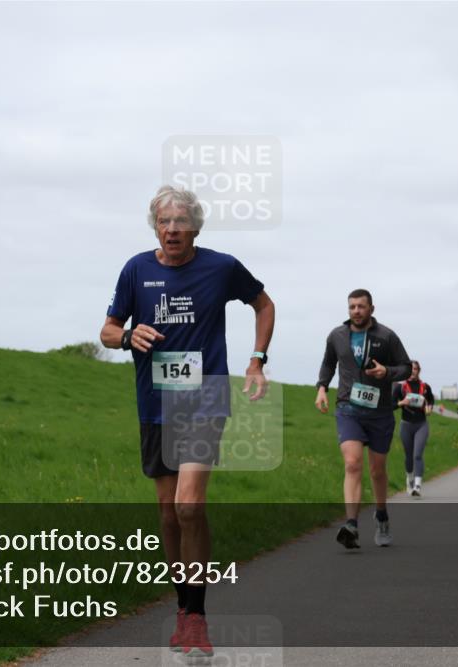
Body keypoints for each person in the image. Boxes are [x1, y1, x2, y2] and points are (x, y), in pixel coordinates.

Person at [100, 186, 275, 658]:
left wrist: (256, 359)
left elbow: (264, 304)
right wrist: (126, 336)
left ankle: (197, 617)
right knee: (167, 513)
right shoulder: (136, 269)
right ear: (155, 226)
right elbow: (108, 329)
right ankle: (183, 608)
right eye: (164, 221)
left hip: (205, 398)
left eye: (180, 222)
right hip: (156, 403)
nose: (172, 229)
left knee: (190, 506)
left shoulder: (220, 267)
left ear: (196, 227)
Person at [316, 289, 412, 548]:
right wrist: (322, 387)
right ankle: (351, 524)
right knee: (352, 463)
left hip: (380, 412)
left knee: (377, 470)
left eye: (361, 306)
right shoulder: (337, 335)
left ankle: (381, 515)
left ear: (371, 308)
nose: (356, 311)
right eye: (352, 307)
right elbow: (328, 363)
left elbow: (405, 367)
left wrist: (387, 371)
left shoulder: (387, 336)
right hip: (348, 409)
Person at [392, 360, 435, 497]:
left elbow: (431, 400)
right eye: (410, 369)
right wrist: (401, 403)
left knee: (417, 455)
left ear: (418, 370)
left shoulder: (425, 387)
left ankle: (417, 485)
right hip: (406, 425)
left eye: (415, 369)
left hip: (421, 424)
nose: (412, 372)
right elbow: (391, 405)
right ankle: (409, 479)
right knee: (409, 456)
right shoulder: (400, 387)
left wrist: (429, 408)